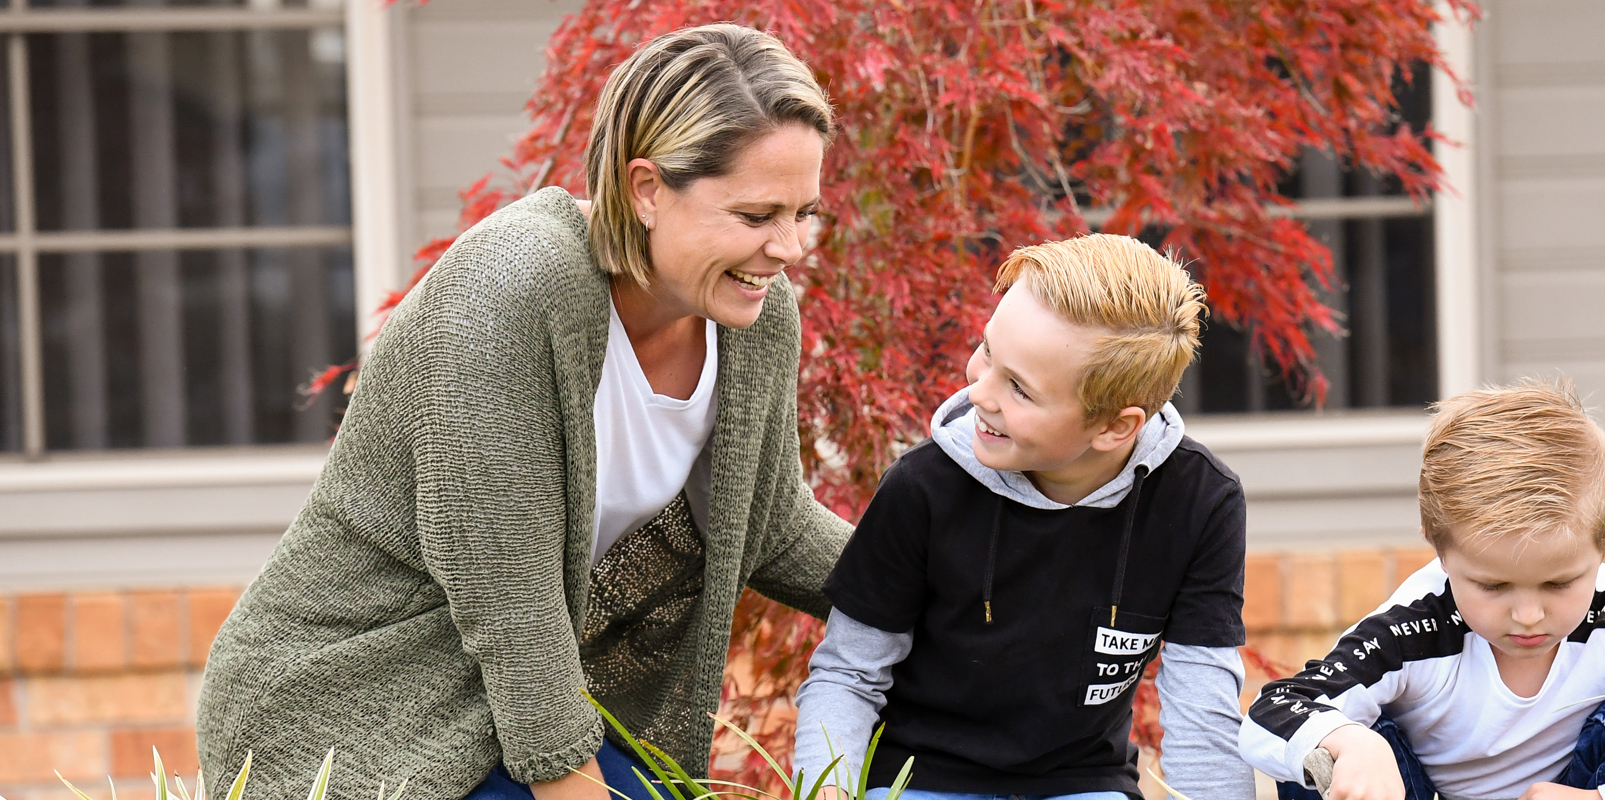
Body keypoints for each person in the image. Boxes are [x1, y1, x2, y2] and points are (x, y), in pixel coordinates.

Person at [195, 24, 851, 800]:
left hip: (510, 697)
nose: (790, 247)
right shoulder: (507, 293)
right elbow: (512, 605)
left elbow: (773, 523)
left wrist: (953, 589)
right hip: (347, 703)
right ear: (647, 189)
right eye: (756, 215)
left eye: (803, 212)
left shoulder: (752, 319)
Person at [790, 234, 1255, 800]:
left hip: (1081, 783)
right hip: (917, 777)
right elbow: (848, 673)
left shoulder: (1200, 503)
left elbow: (1201, 711)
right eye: (987, 351)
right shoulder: (923, 488)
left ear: (1114, 427)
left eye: (1020, 389)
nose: (978, 392)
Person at [1239, 379, 1605, 800]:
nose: (1530, 613)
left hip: (1585, 789)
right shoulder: (1415, 625)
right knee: (1331, 747)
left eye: (1560, 582)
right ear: (1438, 546)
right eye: (1493, 585)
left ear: (1604, 542)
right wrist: (1349, 742)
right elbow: (1274, 710)